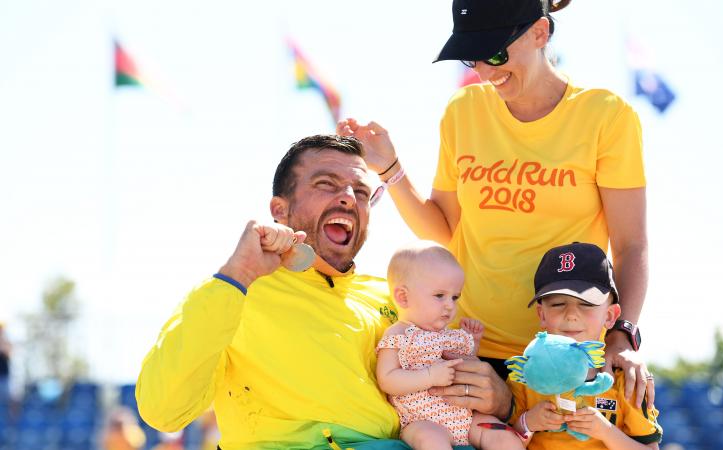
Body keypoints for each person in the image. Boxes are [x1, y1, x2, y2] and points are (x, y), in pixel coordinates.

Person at [337, 0, 653, 409]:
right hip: (466, 347)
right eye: (473, 56)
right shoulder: (462, 111)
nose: (485, 71)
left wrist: (623, 334)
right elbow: (445, 230)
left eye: (497, 53)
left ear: (540, 32)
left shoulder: (607, 117)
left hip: (563, 357)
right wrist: (389, 168)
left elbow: (631, 246)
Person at [136, 135, 511, 449]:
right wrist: (238, 275)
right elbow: (162, 410)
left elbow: (474, 386)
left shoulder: (404, 298)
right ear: (278, 210)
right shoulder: (236, 292)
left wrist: (501, 399)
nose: (349, 197)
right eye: (326, 184)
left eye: (361, 192)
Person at [509, 242, 661, 449]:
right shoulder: (526, 376)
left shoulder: (626, 381)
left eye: (586, 303)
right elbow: (503, 440)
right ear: (541, 314)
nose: (571, 315)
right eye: (558, 304)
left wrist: (605, 431)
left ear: (610, 316)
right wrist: (527, 423)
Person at [377, 242, 524, 450]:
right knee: (431, 441)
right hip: (421, 421)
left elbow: (466, 364)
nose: (450, 305)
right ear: (403, 297)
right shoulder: (398, 334)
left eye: (455, 297)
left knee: (505, 436)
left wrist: (474, 342)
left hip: (465, 417)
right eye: (440, 296)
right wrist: (429, 376)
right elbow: (387, 379)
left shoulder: (450, 335)